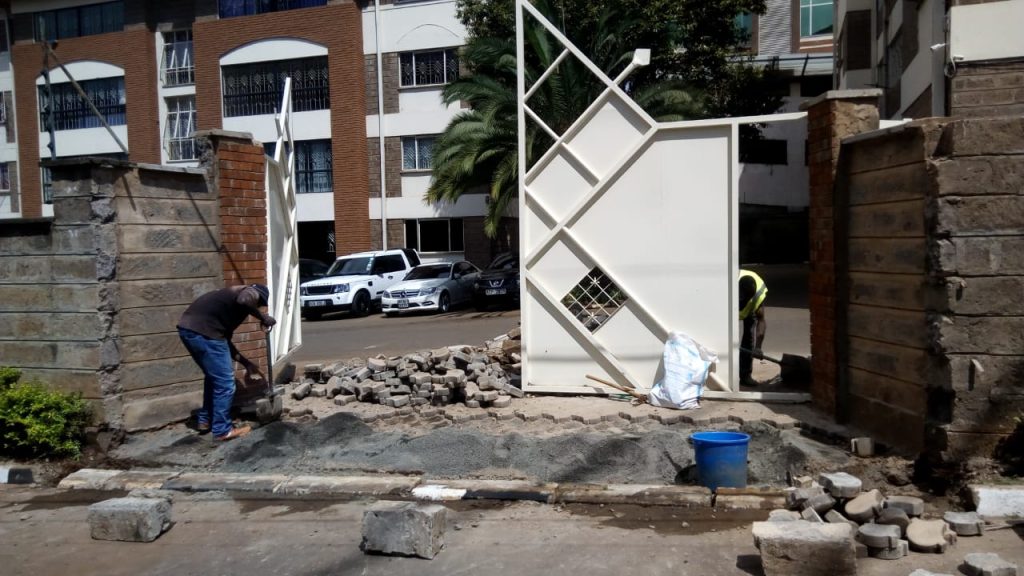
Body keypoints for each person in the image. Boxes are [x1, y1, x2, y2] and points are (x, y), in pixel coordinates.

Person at [178, 284, 277, 441]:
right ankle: (222, 430)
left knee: (213, 378)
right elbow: (245, 300)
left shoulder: (229, 309)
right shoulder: (247, 292)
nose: (256, 306)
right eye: (259, 304)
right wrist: (263, 317)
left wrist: (246, 363)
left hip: (190, 330)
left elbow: (225, 343)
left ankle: (205, 419)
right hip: (204, 332)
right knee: (225, 383)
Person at [738, 269, 767, 387]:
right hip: (725, 307)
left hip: (749, 311)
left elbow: (761, 320)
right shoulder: (728, 281)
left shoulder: (758, 294)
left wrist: (758, 347)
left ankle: (745, 375)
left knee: (749, 337)